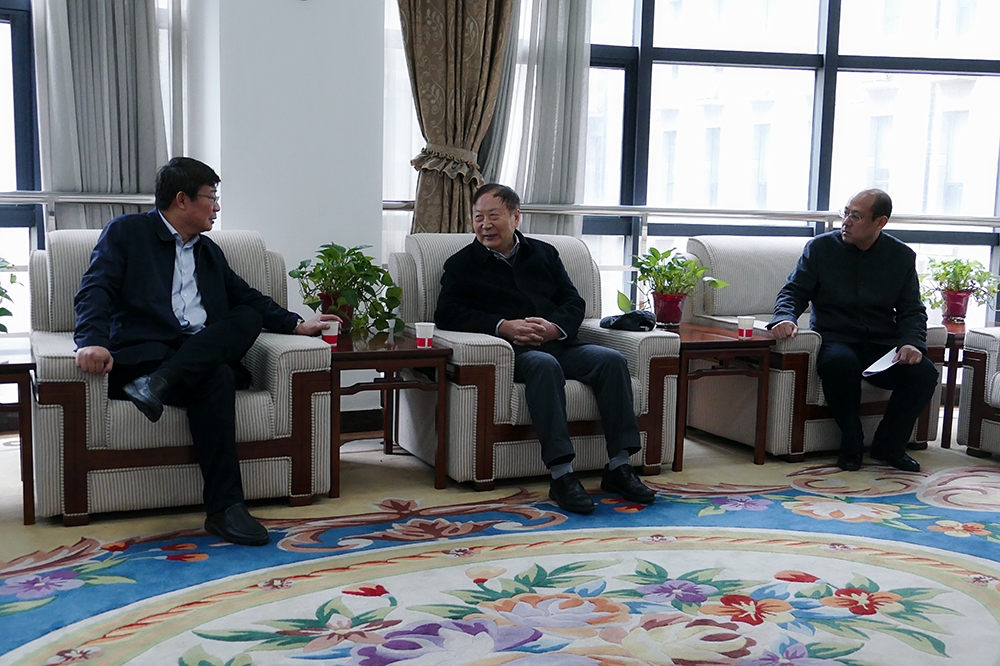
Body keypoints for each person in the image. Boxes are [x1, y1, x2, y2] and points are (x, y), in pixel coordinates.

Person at [74, 157, 339, 546]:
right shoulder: (127, 233)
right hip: (143, 356)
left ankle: (160, 388)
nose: (216, 207)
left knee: (245, 319)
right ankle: (225, 507)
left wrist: (297, 324)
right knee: (217, 375)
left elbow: (246, 296)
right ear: (182, 200)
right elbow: (96, 287)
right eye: (211, 197)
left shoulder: (208, 251)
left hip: (188, 356)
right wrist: (91, 340)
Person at [434, 183, 656, 514]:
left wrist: (554, 327)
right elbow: (447, 313)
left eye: (494, 216)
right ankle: (562, 474)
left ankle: (619, 467)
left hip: (560, 343)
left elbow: (573, 301)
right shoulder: (461, 264)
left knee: (611, 360)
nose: (485, 225)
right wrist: (503, 326)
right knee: (544, 366)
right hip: (514, 352)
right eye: (478, 217)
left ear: (515, 217)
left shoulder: (544, 253)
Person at [768, 188, 939, 472]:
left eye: (856, 216)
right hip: (837, 339)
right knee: (840, 364)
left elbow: (911, 309)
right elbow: (794, 291)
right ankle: (852, 442)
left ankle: (889, 446)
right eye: (845, 213)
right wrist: (785, 318)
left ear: (880, 222)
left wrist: (912, 343)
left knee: (924, 373)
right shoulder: (820, 249)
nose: (845, 222)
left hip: (881, 345)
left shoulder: (901, 256)